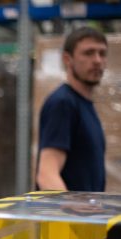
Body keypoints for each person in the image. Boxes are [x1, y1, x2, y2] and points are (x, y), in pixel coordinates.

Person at [37, 27, 108, 192]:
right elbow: (46, 175)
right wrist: (73, 217)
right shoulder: (63, 104)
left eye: (102, 53)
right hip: (73, 217)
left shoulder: (84, 104)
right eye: (88, 53)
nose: (97, 60)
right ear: (67, 60)